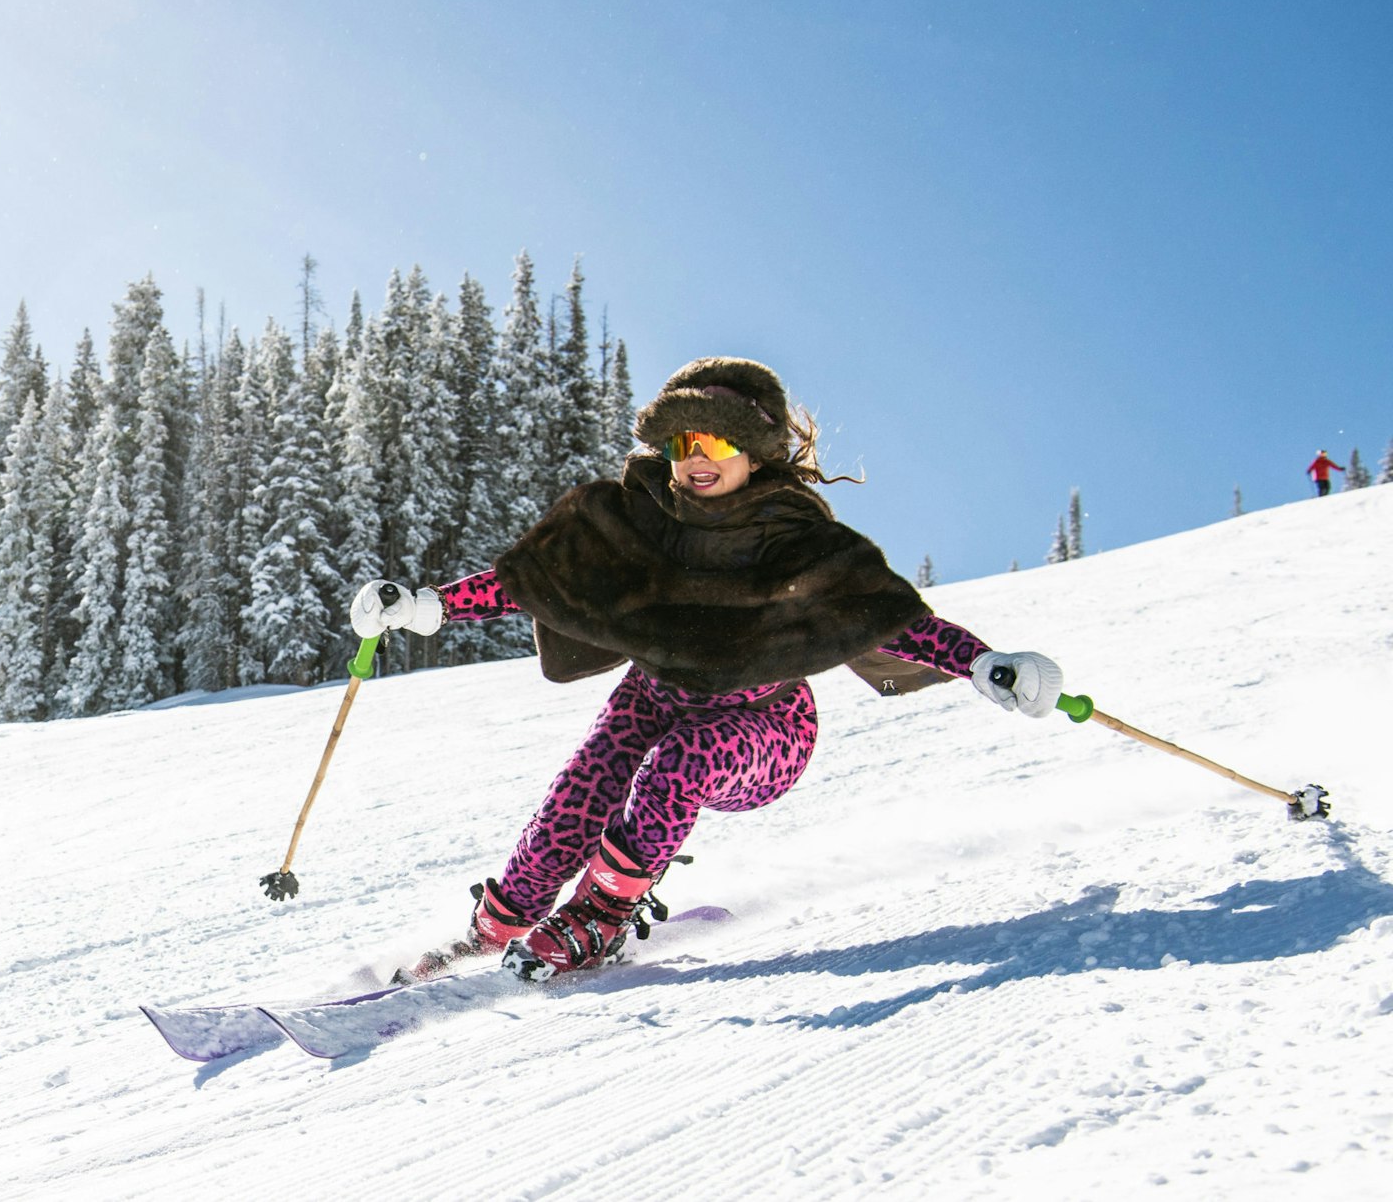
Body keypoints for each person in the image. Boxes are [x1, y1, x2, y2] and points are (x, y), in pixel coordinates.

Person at [349, 357, 1066, 984]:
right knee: (577, 797)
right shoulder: (642, 520)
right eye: (681, 442)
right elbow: (542, 580)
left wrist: (983, 663)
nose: (697, 457)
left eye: (716, 441)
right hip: (653, 696)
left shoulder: (796, 539)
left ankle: (603, 916)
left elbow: (886, 617)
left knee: (679, 765)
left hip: (765, 723)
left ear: (753, 451)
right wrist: (428, 606)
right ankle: (493, 930)